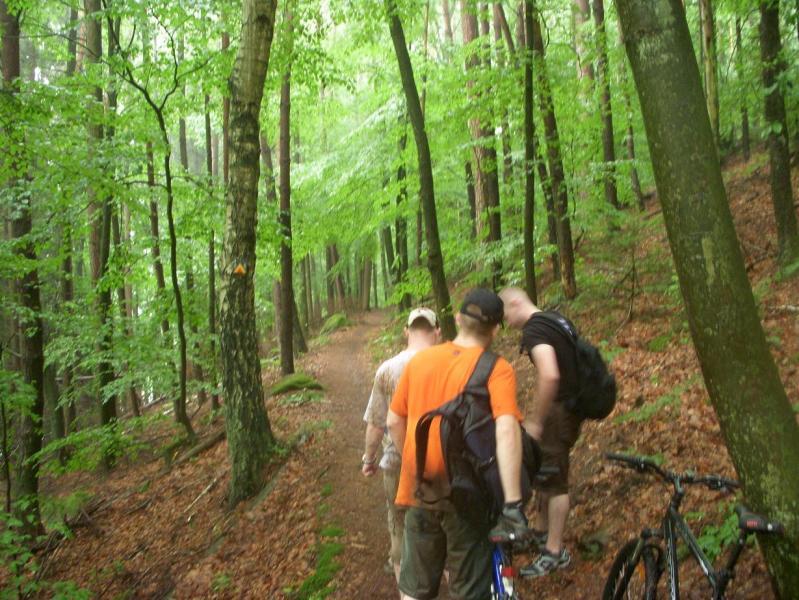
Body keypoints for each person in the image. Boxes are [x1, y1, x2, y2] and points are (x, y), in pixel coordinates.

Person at [387, 289, 529, 600]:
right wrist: (513, 504)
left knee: (414, 589)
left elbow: (393, 422)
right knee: (468, 589)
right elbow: (506, 429)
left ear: (456, 319)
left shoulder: (420, 362)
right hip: (467, 496)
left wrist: (416, 466)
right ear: (494, 329)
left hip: (421, 490)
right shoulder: (497, 369)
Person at [499, 287, 582, 577]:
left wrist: (535, 419)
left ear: (515, 303)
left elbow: (550, 374)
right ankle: (541, 533)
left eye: (505, 314)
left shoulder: (535, 329)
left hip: (559, 411)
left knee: (556, 480)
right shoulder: (556, 319)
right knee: (547, 473)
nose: (505, 322)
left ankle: (554, 551)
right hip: (571, 407)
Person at [361, 307, 440, 585]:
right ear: (437, 331)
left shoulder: (388, 369)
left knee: (399, 527)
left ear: (406, 331)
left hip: (399, 461)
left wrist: (369, 459)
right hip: (445, 461)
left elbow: (377, 423)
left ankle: (406, 588)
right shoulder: (450, 364)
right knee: (448, 526)